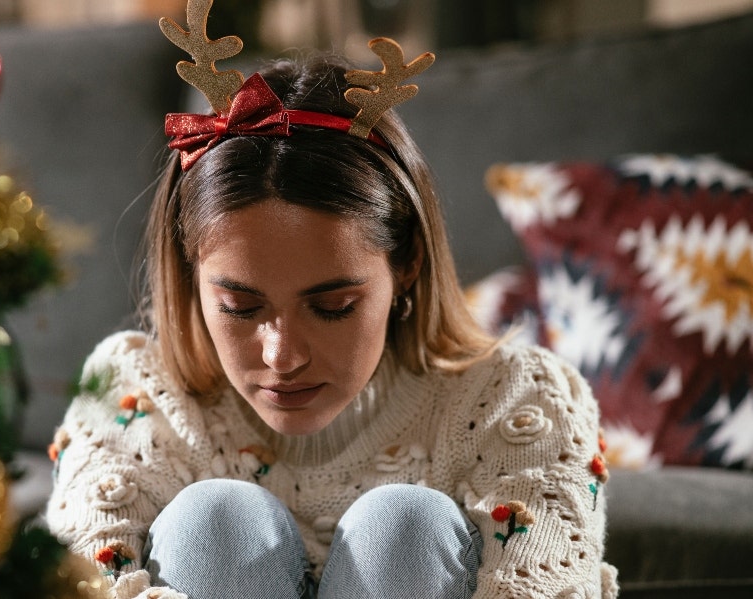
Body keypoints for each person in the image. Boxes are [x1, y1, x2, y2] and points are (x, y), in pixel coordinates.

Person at [45, 5, 618, 598]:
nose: (283, 356)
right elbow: (68, 585)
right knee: (213, 519)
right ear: (191, 277)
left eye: (334, 305)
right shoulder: (134, 391)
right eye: (240, 308)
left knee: (404, 526)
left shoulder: (516, 400)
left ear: (408, 265)